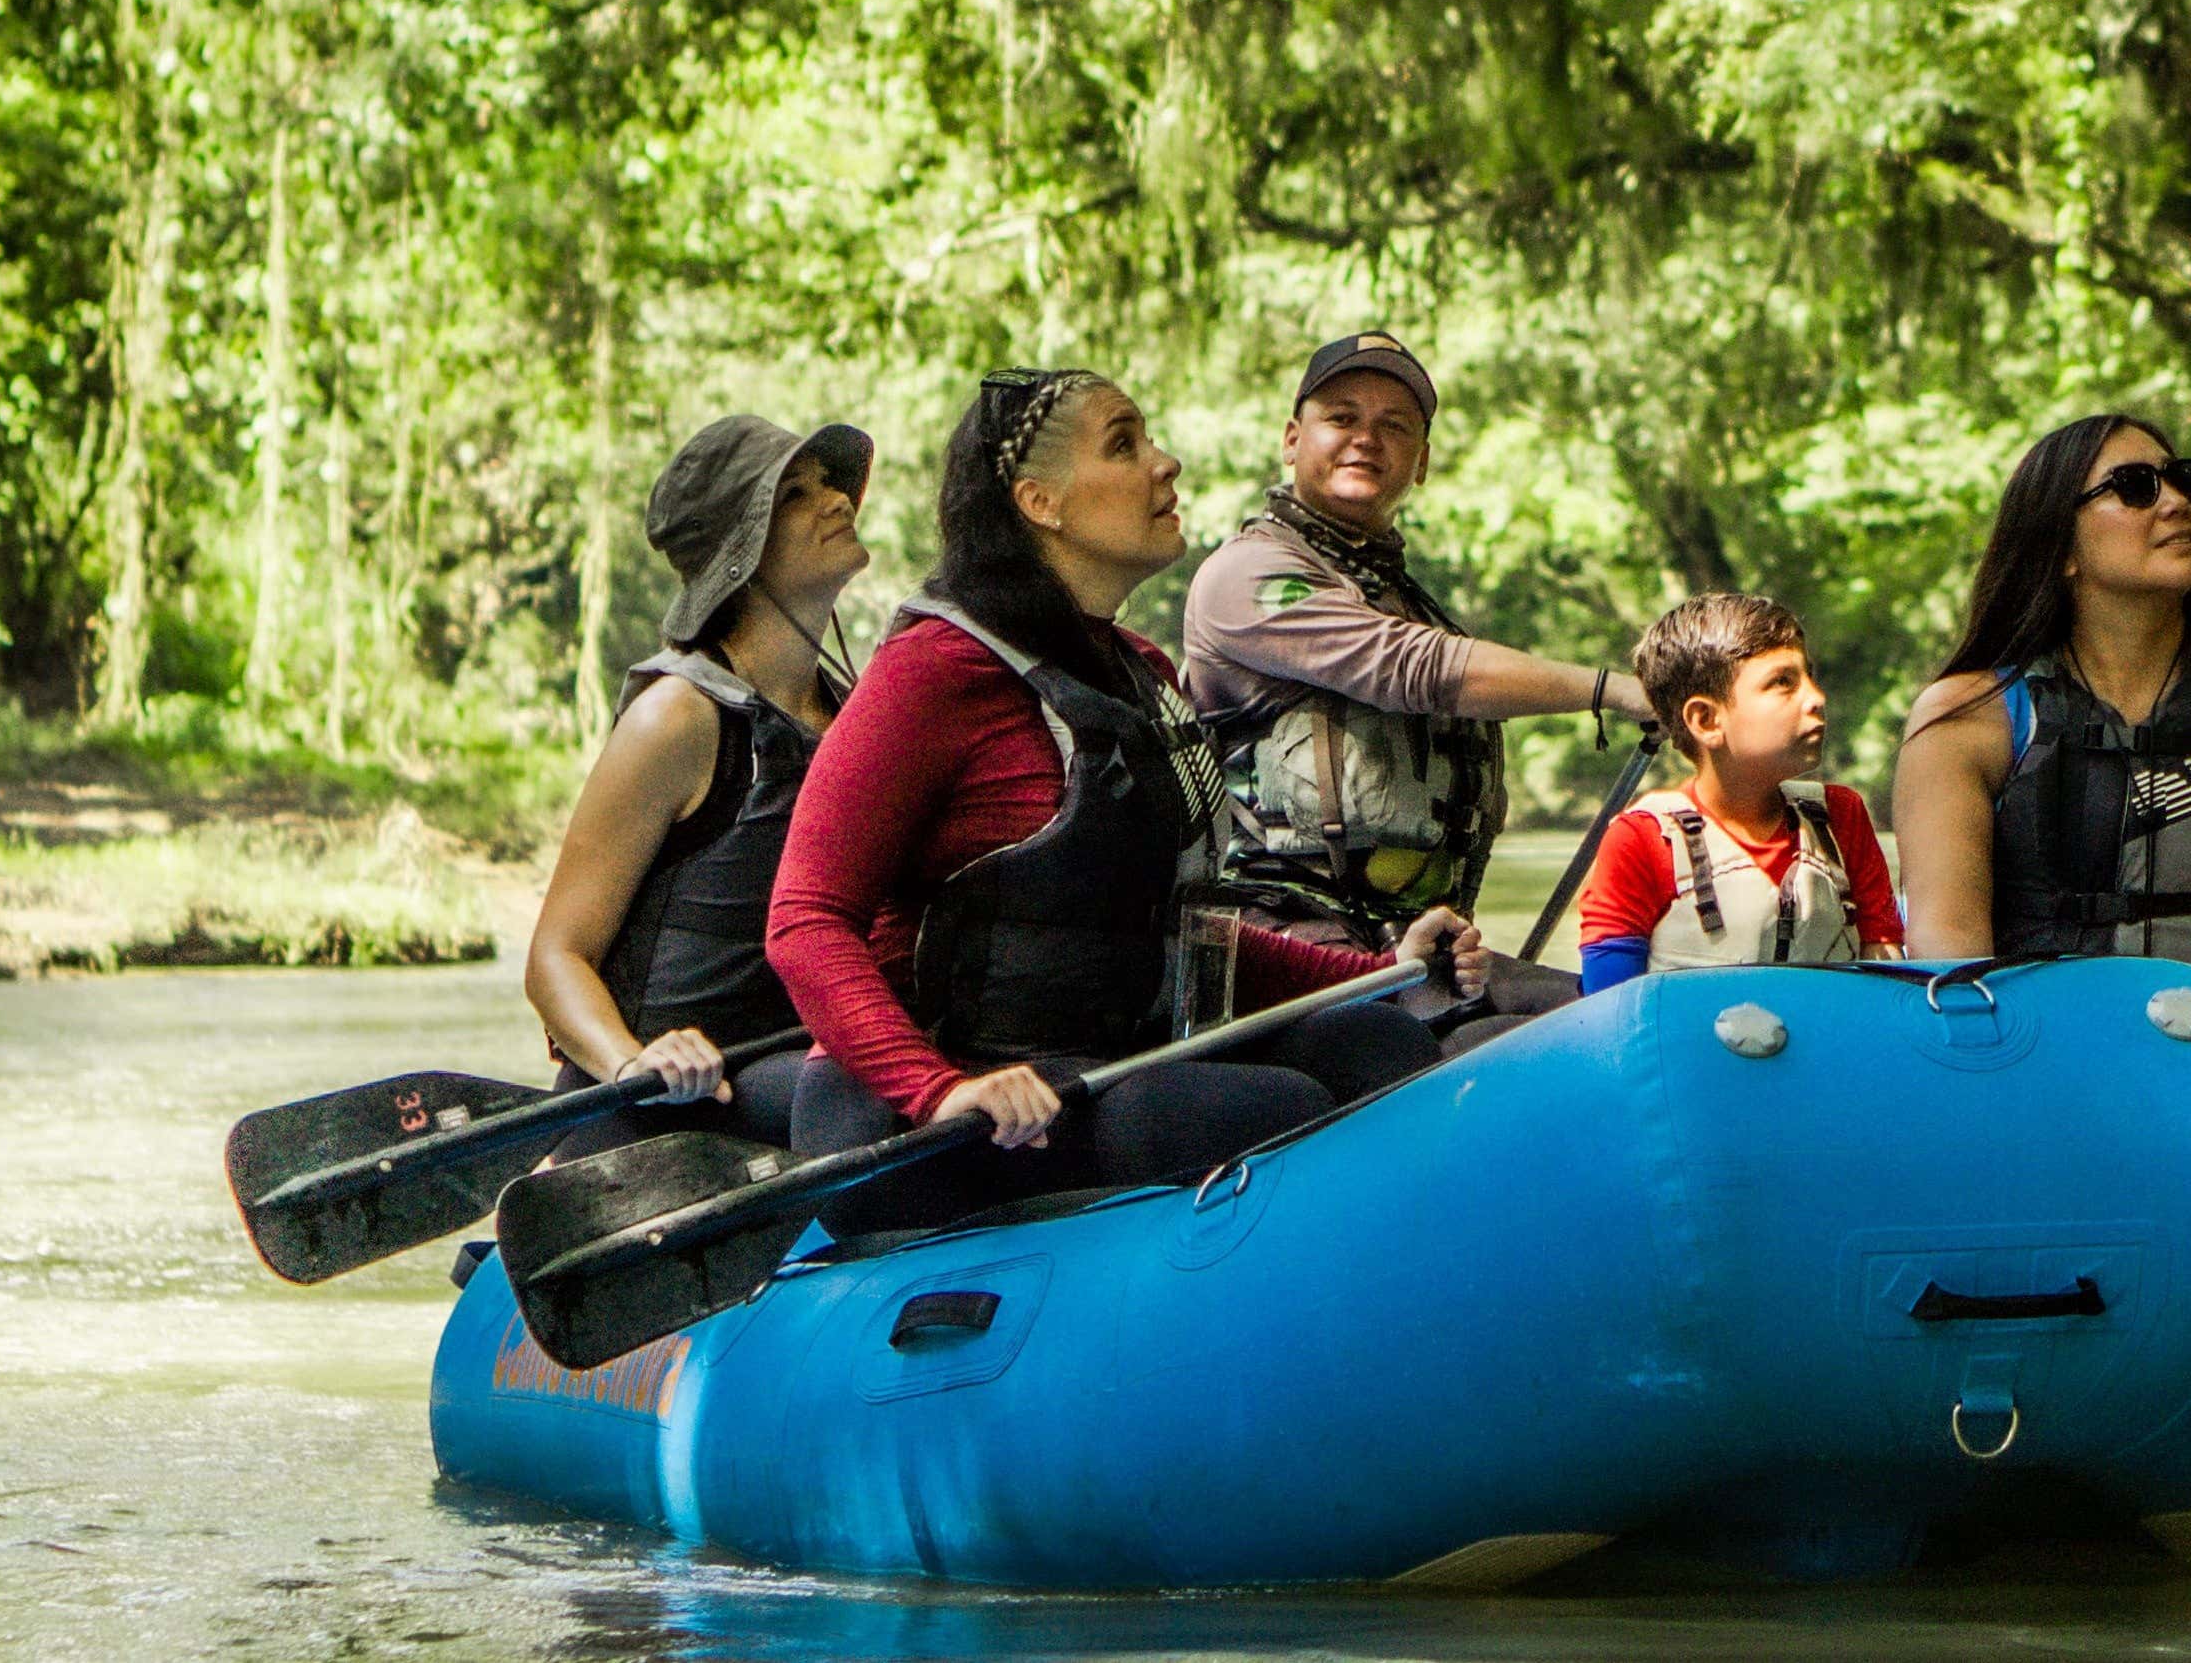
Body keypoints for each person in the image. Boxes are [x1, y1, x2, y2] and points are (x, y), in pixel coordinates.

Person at [763, 367, 1482, 1237]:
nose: (1167, 463)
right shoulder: (933, 671)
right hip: (920, 1107)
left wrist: (1388, 974)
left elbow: (1184, 933)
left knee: (1381, 1045)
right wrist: (939, 1087)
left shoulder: (1145, 674)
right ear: (1041, 501)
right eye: (1125, 443)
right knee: (1251, 1108)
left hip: (1096, 1063)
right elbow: (804, 919)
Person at [1179, 332, 1643, 1037]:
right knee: (1502, 1053)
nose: (1367, 437)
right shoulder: (1246, 576)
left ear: (1421, 462)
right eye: (1342, 417)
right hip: (1285, 943)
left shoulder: (1404, 597)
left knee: (1627, 1017)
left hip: (1420, 947)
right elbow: (1415, 669)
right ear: (1291, 437)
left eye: (1395, 426)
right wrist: (1613, 688)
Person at [1888, 415, 2191, 1041]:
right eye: (2136, 487)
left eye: (2185, 480)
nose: (2176, 502)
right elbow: (1951, 954)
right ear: (2060, 550)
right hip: (2043, 1078)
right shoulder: (1962, 721)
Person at [514, 415, 868, 1157]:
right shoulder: (676, 717)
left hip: (792, 1086)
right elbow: (556, 954)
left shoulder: (852, 715)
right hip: (661, 1111)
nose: (837, 498)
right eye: (797, 495)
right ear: (742, 556)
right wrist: (630, 1062)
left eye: (829, 481)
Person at [1567, 593, 1905, 983]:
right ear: (1706, 720)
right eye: (1783, 682)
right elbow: (1610, 1008)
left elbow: (1885, 967)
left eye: (1809, 676)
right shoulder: (1640, 840)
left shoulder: (1841, 817)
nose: (1816, 698)